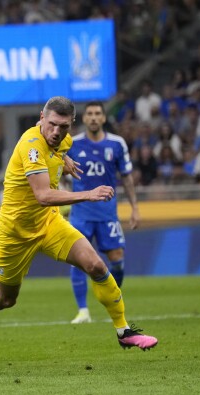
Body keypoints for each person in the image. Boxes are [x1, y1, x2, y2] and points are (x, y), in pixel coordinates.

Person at [0, 96, 157, 355]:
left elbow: (59, 151)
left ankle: (124, 331)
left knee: (96, 265)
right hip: (14, 233)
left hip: (49, 223)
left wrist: (65, 160)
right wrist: (88, 193)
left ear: (71, 124)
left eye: (64, 126)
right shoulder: (31, 145)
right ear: (41, 117)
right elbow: (43, 196)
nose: (57, 132)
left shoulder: (65, 141)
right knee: (6, 299)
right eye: (52, 124)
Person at [65, 101, 140, 324]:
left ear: (104, 118)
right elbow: (57, 168)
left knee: (117, 260)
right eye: (90, 114)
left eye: (98, 113)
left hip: (108, 213)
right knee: (77, 260)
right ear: (84, 119)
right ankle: (83, 311)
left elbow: (126, 177)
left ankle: (112, 303)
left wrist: (135, 207)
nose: (94, 117)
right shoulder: (72, 144)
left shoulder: (117, 144)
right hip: (81, 212)